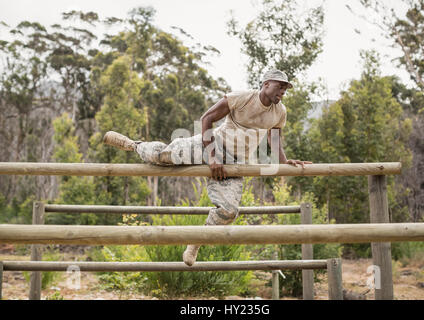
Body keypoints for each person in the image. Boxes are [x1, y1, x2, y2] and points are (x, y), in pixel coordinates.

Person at [103, 69, 312, 266]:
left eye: (286, 88)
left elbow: (274, 137)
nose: (283, 91)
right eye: (280, 86)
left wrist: (285, 162)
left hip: (235, 162)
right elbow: (207, 118)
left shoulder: (280, 112)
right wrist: (212, 157)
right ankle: (134, 145)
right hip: (212, 146)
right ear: (266, 84)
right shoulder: (242, 97)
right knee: (162, 156)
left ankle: (195, 243)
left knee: (229, 211)